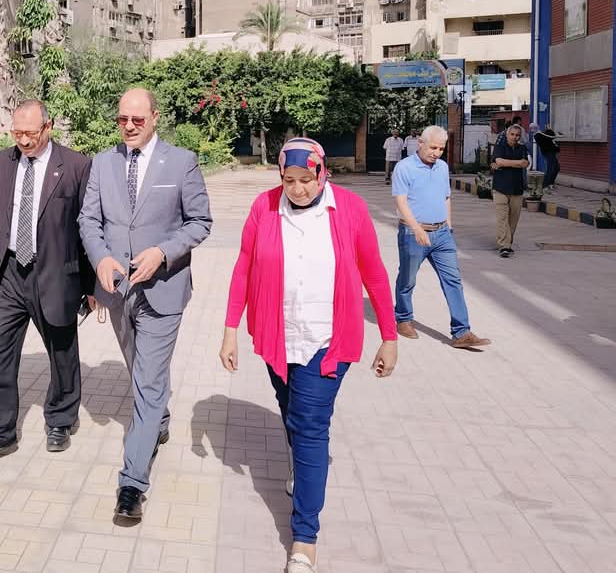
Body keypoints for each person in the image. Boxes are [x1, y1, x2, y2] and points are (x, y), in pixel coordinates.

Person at [220, 138, 398, 573]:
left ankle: (304, 537)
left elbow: (374, 274)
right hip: (277, 336)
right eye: (289, 180)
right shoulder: (264, 207)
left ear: (323, 173)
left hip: (327, 340)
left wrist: (389, 336)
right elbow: (244, 266)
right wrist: (230, 330)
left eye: (306, 179)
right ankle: (301, 466)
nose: (297, 189)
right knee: (290, 410)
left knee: (311, 426)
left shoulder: (351, 210)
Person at [78, 87, 212, 521]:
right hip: (119, 291)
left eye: (137, 119)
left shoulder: (182, 162)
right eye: (122, 119)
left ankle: (132, 483)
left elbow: (200, 222)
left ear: (155, 117)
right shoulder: (103, 163)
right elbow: (88, 220)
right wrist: (101, 258)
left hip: (164, 289)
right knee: (141, 372)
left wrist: (163, 252)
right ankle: (159, 419)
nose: (129, 126)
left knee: (148, 382)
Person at [0, 100, 94, 470]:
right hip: (8, 273)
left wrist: (91, 286)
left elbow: (87, 228)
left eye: (30, 133)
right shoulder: (2, 163)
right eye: (16, 133)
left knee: (62, 353)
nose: (22, 140)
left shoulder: (76, 165)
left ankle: (61, 419)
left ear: (47, 127)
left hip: (54, 273)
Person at [392, 125, 490, 349]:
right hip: (413, 233)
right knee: (408, 279)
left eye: (441, 149)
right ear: (421, 143)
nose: (436, 153)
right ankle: (403, 318)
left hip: (442, 234)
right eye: (433, 147)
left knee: (453, 280)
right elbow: (401, 202)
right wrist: (417, 229)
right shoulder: (404, 167)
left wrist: (449, 226)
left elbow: (446, 197)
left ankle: (461, 332)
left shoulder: (442, 167)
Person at [491, 124, 530, 258]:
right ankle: (504, 246)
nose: (514, 137)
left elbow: (525, 163)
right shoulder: (499, 147)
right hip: (500, 188)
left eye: (517, 135)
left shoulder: (522, 148)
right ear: (507, 134)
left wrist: (506, 163)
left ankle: (508, 242)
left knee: (513, 220)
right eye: (512, 134)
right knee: (502, 218)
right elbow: (498, 161)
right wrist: (517, 163)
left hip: (517, 189)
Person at [534, 125, 561, 189]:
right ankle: (544, 185)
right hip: (548, 153)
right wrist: (549, 130)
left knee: (556, 168)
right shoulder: (538, 135)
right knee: (550, 169)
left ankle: (550, 183)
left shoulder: (543, 134)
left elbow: (552, 137)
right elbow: (551, 135)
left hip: (551, 153)